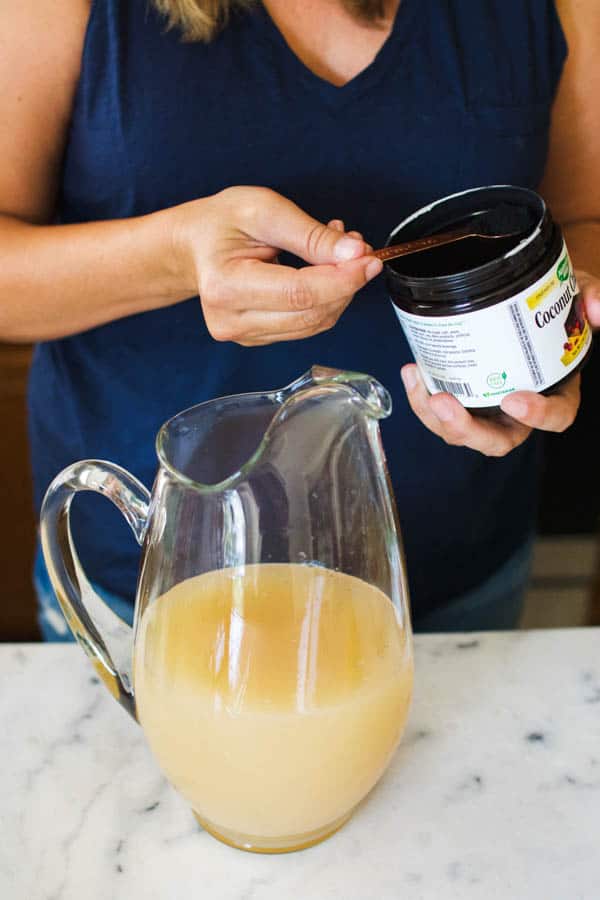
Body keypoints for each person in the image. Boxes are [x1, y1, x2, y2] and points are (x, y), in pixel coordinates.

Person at [1, 0, 599, 639]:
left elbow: (582, 219)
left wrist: (559, 333)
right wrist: (175, 258)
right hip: (153, 589)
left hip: (454, 578)